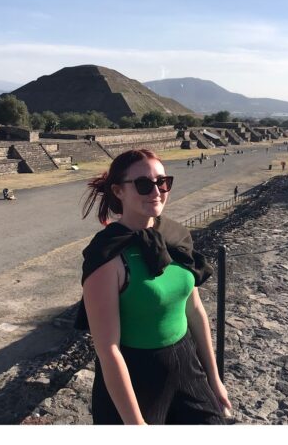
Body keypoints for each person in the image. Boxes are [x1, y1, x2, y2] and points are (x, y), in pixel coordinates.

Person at [77, 149, 230, 424]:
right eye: (143, 184)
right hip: (135, 375)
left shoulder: (175, 237)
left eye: (163, 182)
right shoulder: (106, 257)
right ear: (118, 191)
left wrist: (214, 379)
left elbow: (194, 311)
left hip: (186, 364)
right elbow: (108, 349)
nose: (157, 191)